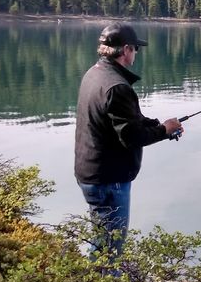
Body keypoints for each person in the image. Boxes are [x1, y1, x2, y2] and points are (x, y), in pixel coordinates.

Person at [74, 23, 183, 258]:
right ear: (125, 50)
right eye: (136, 49)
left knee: (102, 239)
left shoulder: (95, 74)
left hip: (91, 172)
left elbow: (123, 120)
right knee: (110, 248)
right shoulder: (118, 87)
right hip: (108, 180)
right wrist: (165, 130)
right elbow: (132, 137)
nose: (136, 53)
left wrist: (158, 125)